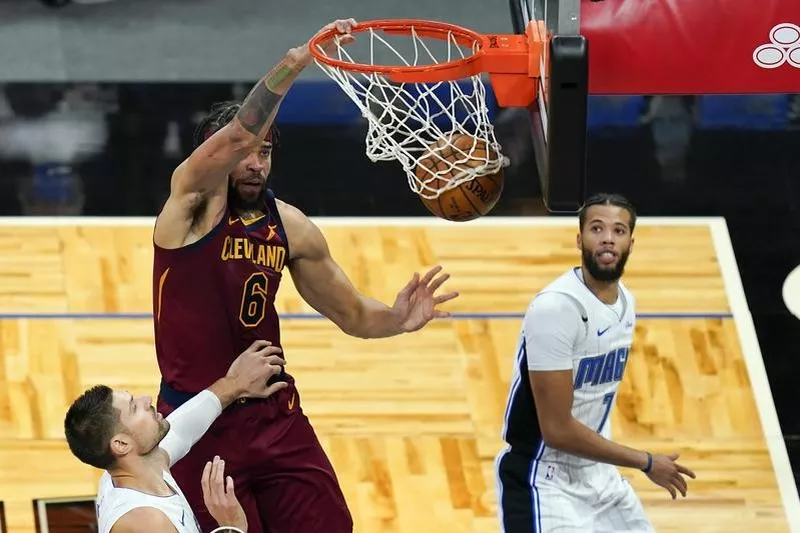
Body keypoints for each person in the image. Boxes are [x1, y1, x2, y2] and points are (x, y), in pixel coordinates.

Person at [151, 17, 459, 533]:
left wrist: (397, 319)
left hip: (275, 415)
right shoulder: (189, 206)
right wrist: (294, 65)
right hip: (199, 417)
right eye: (245, 153)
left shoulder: (290, 227)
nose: (255, 163)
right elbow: (238, 134)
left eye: (266, 152)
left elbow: (355, 314)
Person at [495, 193, 696, 533]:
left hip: (600, 477)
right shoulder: (556, 309)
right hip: (543, 480)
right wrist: (645, 462)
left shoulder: (626, 302)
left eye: (618, 231)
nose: (607, 237)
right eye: (597, 228)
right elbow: (556, 430)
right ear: (579, 239)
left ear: (631, 243)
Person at [64, 340, 286, 533]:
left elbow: (181, 430)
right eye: (134, 408)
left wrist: (236, 383)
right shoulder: (148, 521)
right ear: (121, 444)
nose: (145, 400)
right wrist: (232, 526)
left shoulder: (137, 466)